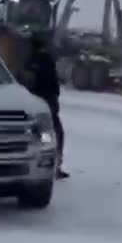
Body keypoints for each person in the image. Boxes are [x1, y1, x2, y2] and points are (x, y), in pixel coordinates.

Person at [24, 34, 69, 179]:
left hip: (37, 102)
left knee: (43, 135)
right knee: (52, 134)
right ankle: (53, 166)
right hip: (47, 102)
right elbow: (52, 83)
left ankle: (44, 166)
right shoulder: (46, 60)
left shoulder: (30, 62)